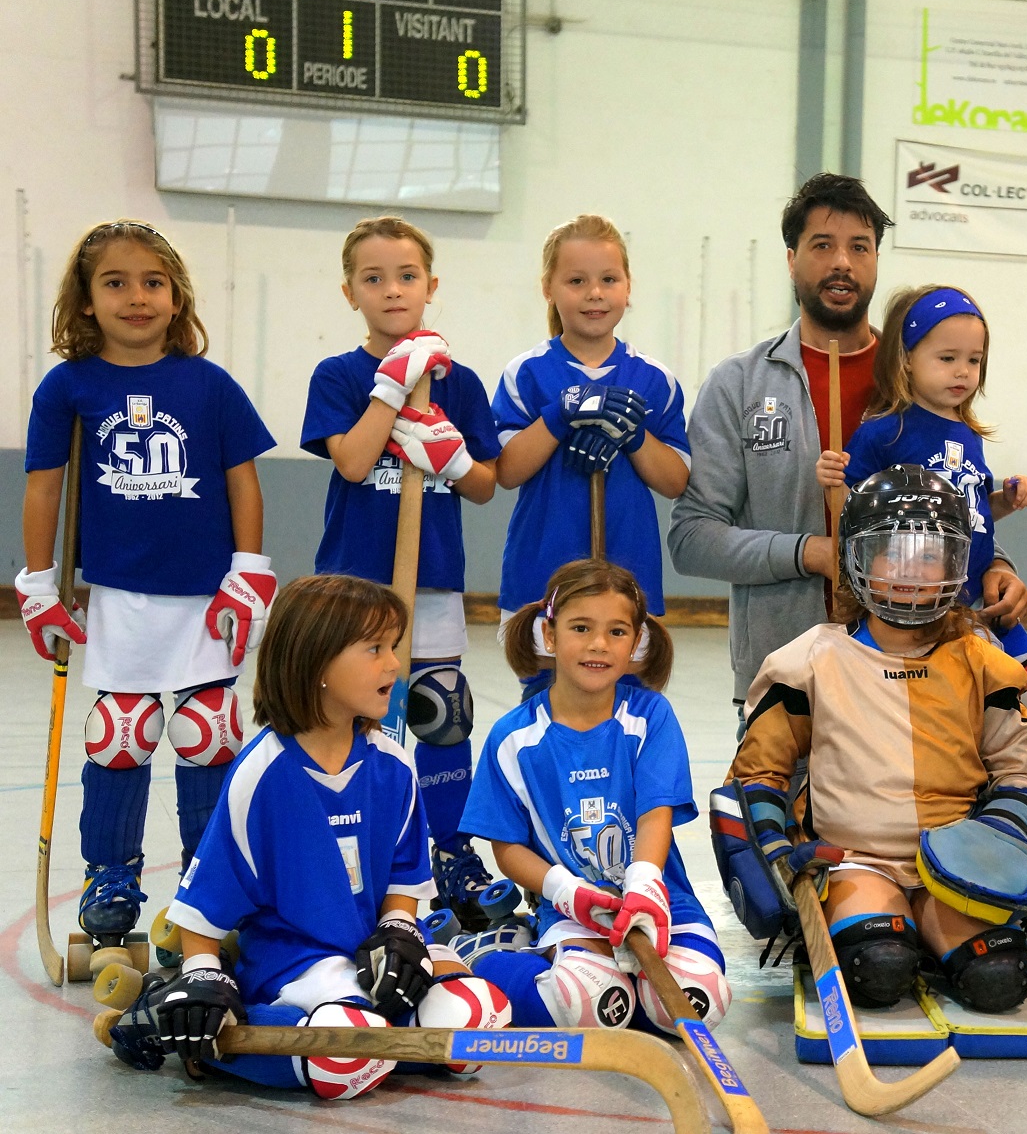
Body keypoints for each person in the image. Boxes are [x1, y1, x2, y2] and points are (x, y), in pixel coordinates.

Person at [106, 575, 512, 1099]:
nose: (394, 664)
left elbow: (404, 878)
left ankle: (368, 1038)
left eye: (393, 646)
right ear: (316, 662)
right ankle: (216, 1045)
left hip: (369, 953)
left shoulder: (392, 764)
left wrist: (399, 932)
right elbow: (204, 908)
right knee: (348, 1058)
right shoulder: (262, 775)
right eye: (374, 649)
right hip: (295, 964)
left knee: (475, 1014)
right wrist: (204, 974)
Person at [671, 173, 1027, 708]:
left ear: (876, 262)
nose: (842, 261)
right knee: (777, 795)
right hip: (784, 673)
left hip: (916, 673)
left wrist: (997, 564)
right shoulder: (739, 384)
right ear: (791, 260)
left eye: (859, 247)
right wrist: (811, 553)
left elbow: (957, 496)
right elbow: (692, 538)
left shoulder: (923, 378)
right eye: (822, 245)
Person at [716, 465, 1027, 1013]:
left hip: (954, 864)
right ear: (856, 560)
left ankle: (927, 927)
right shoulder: (809, 659)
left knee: (999, 976)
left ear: (956, 564)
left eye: (930, 555)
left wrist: (993, 843)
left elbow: (1023, 770)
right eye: (891, 553)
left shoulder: (982, 662)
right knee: (878, 966)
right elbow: (759, 773)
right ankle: (891, 929)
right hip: (855, 858)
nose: (911, 571)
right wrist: (781, 853)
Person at [19, 220, 276, 952]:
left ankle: (207, 875)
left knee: (207, 734)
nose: (137, 296)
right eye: (116, 282)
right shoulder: (69, 386)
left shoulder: (209, 384)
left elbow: (243, 483)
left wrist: (248, 573)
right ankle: (111, 875)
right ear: (86, 299)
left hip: (203, 597)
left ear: (176, 296)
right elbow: (44, 489)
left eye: (153, 282)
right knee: (121, 736)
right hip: (121, 597)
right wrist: (38, 585)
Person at [300, 214, 503, 929]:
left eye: (407, 276)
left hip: (436, 579)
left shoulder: (462, 382)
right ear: (350, 290)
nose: (392, 289)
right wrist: (390, 393)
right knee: (364, 717)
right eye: (374, 278)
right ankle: (365, 848)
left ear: (431, 285)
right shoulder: (339, 375)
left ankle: (450, 851)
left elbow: (485, 483)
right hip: (359, 583)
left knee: (442, 714)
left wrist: (448, 456)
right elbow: (355, 462)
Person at [456, 560, 730, 1035]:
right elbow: (508, 850)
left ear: (637, 641)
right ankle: (487, 961)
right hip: (574, 911)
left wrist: (644, 885)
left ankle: (621, 985)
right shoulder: (514, 738)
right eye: (581, 627)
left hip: (663, 903)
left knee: (698, 1001)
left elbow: (654, 815)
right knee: (591, 1007)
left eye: (617, 631)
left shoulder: (650, 717)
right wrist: (567, 892)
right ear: (550, 634)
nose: (599, 644)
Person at [815, 284, 1027, 722]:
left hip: (977, 594)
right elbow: (854, 511)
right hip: (921, 603)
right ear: (906, 358)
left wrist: (1005, 500)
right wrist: (832, 481)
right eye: (947, 359)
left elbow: (972, 512)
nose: (962, 371)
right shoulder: (886, 432)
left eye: (974, 360)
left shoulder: (969, 432)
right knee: (955, 708)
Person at [493, 215, 689, 700]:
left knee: (631, 703)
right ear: (549, 288)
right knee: (546, 700)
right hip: (542, 563)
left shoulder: (652, 379)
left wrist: (634, 436)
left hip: (630, 563)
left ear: (627, 287)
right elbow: (508, 469)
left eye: (608, 280)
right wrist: (561, 416)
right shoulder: (528, 373)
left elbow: (676, 480)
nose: (594, 293)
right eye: (576, 281)